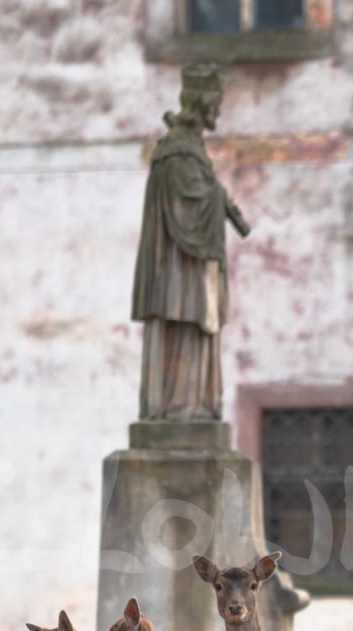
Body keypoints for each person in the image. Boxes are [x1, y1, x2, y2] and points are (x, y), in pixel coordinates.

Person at [130, 64, 251, 422]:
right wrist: (216, 200)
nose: (220, 111)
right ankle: (182, 406)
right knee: (187, 326)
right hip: (180, 271)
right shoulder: (178, 151)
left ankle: (194, 405)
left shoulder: (189, 149)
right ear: (203, 104)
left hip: (187, 270)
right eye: (217, 103)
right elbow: (187, 209)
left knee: (197, 328)